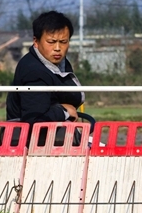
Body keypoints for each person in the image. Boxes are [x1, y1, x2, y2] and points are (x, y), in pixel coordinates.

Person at [6, 11, 93, 139]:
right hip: (29, 143)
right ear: (36, 41)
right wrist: (64, 111)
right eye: (51, 42)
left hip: (57, 137)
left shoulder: (59, 62)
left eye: (63, 42)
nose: (57, 48)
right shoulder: (34, 72)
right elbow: (35, 120)